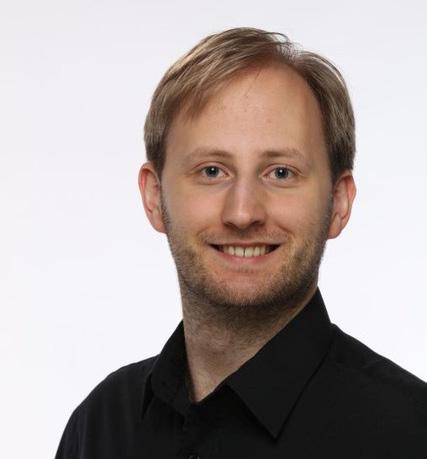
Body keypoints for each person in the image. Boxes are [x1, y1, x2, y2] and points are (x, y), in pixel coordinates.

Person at [55, 27, 427, 458]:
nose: (243, 213)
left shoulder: (411, 434)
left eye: (281, 173)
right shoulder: (100, 426)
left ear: (338, 203)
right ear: (154, 197)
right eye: (212, 171)